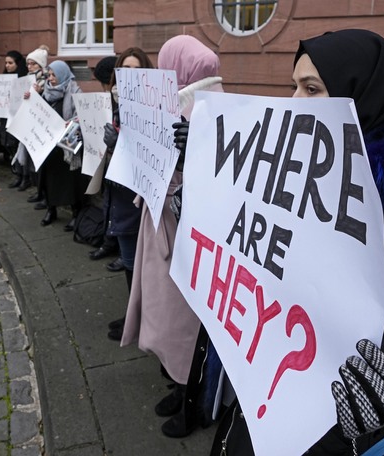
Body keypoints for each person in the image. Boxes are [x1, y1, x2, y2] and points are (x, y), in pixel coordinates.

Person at [171, 29, 384, 455]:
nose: (293, 102)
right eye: (294, 86)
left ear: (360, 95)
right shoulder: (284, 171)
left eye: (311, 89)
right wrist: (201, 167)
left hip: (321, 427)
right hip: (260, 392)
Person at [120, 34, 225, 439]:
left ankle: (195, 401)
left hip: (184, 234)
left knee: (185, 323)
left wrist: (187, 158)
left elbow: (221, 184)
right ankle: (181, 386)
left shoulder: (207, 107)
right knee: (167, 316)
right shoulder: (181, 101)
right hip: (163, 222)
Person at [91, 49, 153, 339]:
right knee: (128, 263)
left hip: (137, 201)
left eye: (135, 70)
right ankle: (134, 317)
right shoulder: (116, 105)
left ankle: (141, 321)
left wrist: (122, 143)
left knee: (142, 268)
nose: (128, 76)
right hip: (118, 196)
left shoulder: (153, 110)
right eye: (123, 69)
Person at [37, 60, 89, 228]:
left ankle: (75, 211)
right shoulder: (46, 93)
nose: (51, 79)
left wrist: (72, 123)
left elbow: (81, 116)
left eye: (54, 75)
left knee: (70, 181)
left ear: (64, 75)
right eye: (49, 75)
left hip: (67, 146)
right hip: (48, 146)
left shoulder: (75, 92)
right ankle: (51, 209)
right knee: (49, 178)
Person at [16, 45, 50, 205]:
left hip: (41, 128)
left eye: (33, 64)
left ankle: (45, 194)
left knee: (40, 162)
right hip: (28, 124)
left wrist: (38, 94)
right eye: (28, 63)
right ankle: (38, 190)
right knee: (31, 160)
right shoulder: (26, 80)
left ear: (41, 65)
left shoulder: (45, 81)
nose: (29, 67)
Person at [0, 50, 28, 189]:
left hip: (19, 118)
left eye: (10, 63)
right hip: (6, 117)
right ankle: (17, 174)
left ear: (18, 63)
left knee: (19, 146)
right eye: (6, 63)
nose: (7, 66)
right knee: (10, 145)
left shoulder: (24, 79)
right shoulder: (3, 79)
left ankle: (25, 177)